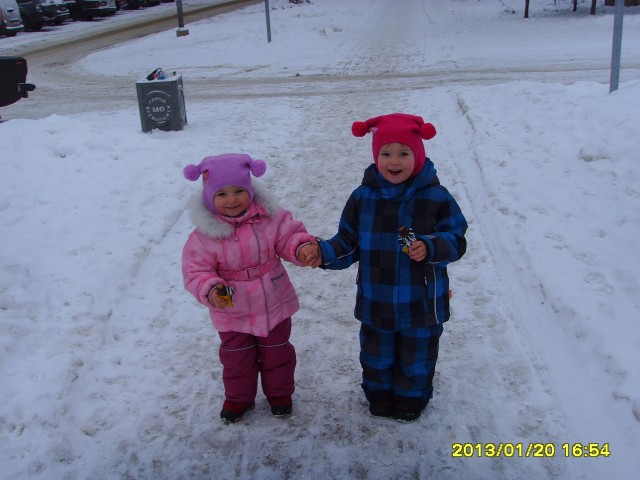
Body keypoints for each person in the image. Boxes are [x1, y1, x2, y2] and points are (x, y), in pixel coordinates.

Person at [308, 113, 468, 422]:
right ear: (376, 156)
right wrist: (323, 253)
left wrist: (432, 245)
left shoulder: (436, 197)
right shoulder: (362, 197)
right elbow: (348, 241)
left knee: (417, 355)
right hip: (377, 300)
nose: (394, 162)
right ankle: (379, 394)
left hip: (421, 302)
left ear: (418, 155)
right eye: (386, 153)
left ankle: (411, 398)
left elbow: (456, 239)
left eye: (403, 153)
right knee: (376, 354)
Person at [182, 153, 319, 423]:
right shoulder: (204, 235)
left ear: (250, 190)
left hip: (273, 301)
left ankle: (280, 394)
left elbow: (288, 236)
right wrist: (211, 289)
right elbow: (195, 270)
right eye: (222, 194)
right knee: (236, 360)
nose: (231, 200)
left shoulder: (271, 218)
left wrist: (301, 248)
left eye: (238, 191)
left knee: (277, 352)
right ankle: (238, 398)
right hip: (232, 310)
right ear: (210, 197)